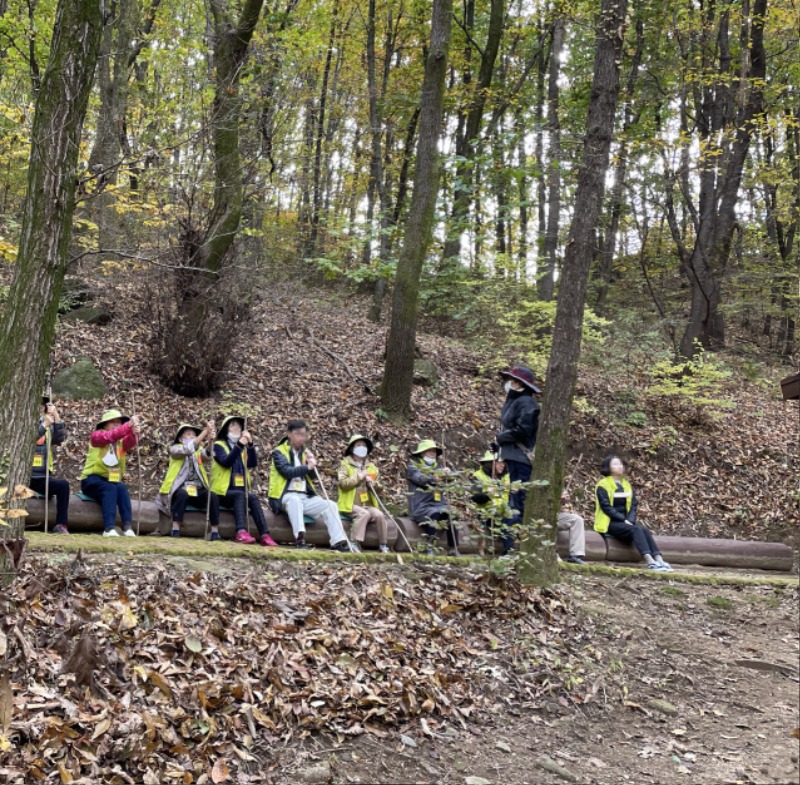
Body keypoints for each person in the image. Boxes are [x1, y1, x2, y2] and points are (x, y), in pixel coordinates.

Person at [268, 419, 350, 551]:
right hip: (284, 496)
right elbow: (286, 472)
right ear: (289, 434)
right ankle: (300, 539)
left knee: (330, 505)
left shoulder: (305, 453)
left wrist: (312, 465)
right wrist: (307, 467)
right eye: (298, 434)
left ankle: (338, 541)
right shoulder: (279, 452)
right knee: (294, 501)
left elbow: (313, 477)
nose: (301, 438)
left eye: (304, 435)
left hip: (304, 497)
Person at [595, 455, 673, 571]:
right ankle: (650, 561)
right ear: (608, 467)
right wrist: (623, 519)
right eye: (615, 464)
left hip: (626, 521)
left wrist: (630, 520)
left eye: (620, 463)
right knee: (636, 529)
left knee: (643, 529)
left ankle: (659, 559)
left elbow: (633, 505)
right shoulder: (602, 485)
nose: (619, 466)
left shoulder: (626, 484)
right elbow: (606, 507)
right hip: (610, 522)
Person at [211, 416, 277, 546]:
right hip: (222, 491)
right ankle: (241, 531)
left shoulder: (242, 449)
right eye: (232, 426)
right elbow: (226, 462)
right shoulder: (218, 446)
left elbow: (252, 463)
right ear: (226, 430)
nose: (236, 429)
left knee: (252, 497)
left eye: (239, 427)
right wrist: (240, 444)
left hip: (239, 490)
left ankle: (265, 534)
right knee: (240, 495)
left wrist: (250, 445)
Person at [80, 408, 142, 537]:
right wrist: (127, 426)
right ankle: (108, 528)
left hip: (112, 480)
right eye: (112, 422)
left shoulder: (120, 442)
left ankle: (127, 527)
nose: (116, 424)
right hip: (91, 480)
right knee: (110, 489)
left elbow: (129, 442)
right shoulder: (97, 436)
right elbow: (110, 436)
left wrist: (135, 433)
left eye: (118, 422)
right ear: (104, 424)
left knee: (122, 488)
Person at [158, 421, 222, 539]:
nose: (192, 436)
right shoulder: (175, 449)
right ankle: (175, 528)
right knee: (182, 494)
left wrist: (211, 441)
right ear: (181, 438)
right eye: (188, 434)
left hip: (197, 489)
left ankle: (214, 531)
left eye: (193, 434)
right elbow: (188, 449)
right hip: (180, 489)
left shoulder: (198, 451)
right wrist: (205, 431)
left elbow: (208, 455)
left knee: (212, 496)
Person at [495, 366, 541, 527]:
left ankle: (517, 534)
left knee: (520, 497)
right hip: (513, 455)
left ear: (520, 384)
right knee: (514, 496)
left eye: (513, 381)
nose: (509, 383)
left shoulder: (527, 402)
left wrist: (502, 437)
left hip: (521, 457)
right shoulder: (515, 400)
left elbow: (523, 430)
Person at [337, 434, 389, 553]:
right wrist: (359, 477)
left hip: (366, 503)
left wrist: (373, 483)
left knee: (379, 515)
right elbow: (343, 484)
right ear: (352, 449)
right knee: (364, 514)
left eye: (364, 445)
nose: (362, 448)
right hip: (349, 504)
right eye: (358, 445)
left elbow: (380, 488)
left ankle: (383, 544)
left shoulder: (372, 467)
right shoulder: (345, 465)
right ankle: (354, 542)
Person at [407, 440, 459, 556]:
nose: (432, 454)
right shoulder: (412, 467)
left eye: (434, 451)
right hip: (420, 505)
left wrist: (449, 475)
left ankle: (453, 548)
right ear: (422, 453)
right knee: (434, 514)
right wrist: (436, 477)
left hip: (439, 504)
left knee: (452, 515)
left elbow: (451, 478)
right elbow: (420, 479)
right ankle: (430, 546)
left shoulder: (439, 467)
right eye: (428, 451)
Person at [30, 395, 70, 534]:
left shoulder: (48, 423)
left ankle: (61, 524)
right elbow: (28, 438)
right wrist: (43, 426)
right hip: (26, 475)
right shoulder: (23, 419)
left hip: (42, 475)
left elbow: (59, 439)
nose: (42, 407)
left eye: (44, 405)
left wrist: (57, 419)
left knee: (62, 486)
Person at [470, 450, 514, 556]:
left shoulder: (506, 477)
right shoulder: (478, 476)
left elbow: (511, 496)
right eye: (499, 463)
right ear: (490, 464)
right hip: (486, 511)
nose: (502, 466)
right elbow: (475, 497)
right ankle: (508, 553)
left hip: (505, 510)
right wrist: (487, 495)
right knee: (507, 520)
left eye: (503, 463)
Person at [558, 488, 587, 564]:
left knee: (577, 520)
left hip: (555, 515)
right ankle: (551, 553)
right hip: (537, 518)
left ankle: (575, 556)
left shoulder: (557, 481)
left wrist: (562, 500)